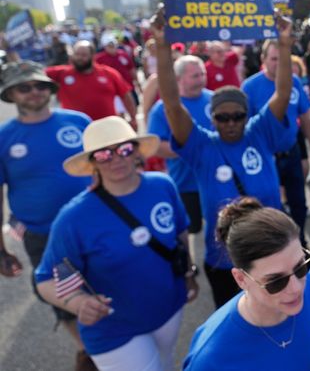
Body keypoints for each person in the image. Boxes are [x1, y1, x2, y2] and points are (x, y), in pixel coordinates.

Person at [153, 6, 295, 307]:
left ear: (247, 115)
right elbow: (172, 105)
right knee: (238, 323)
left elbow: (282, 93)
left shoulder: (260, 132)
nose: (231, 123)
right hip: (226, 261)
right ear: (212, 119)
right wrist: (163, 47)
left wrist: (284, 44)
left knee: (281, 314)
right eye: (222, 117)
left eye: (237, 116)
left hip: (274, 251)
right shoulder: (201, 146)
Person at [34, 116, 198, 370]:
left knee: (165, 364)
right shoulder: (73, 218)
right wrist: (78, 303)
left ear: (135, 151)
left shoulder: (162, 185)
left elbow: (180, 234)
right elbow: (45, 278)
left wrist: (188, 273)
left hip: (168, 308)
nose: (115, 159)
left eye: (123, 149)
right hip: (113, 328)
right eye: (103, 154)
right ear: (92, 163)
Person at [183, 197, 310, 371]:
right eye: (276, 281)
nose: (297, 288)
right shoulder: (211, 359)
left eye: (301, 267)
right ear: (241, 279)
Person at [0, 61, 94, 370]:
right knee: (64, 296)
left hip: (94, 225)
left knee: (107, 284)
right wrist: (1, 250)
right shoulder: (4, 137)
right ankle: (86, 350)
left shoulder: (78, 122)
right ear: (11, 94)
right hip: (43, 236)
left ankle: (108, 342)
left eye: (40, 86)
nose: (34, 92)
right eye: (24, 87)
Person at [242, 40, 310, 246]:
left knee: (299, 205)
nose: (278, 63)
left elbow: (305, 117)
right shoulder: (249, 87)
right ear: (263, 60)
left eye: (281, 58)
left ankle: (301, 244)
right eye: (273, 59)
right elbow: (244, 129)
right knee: (271, 209)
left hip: (291, 152)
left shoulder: (294, 81)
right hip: (265, 159)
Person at [148, 55, 213, 261]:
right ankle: (192, 262)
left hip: (215, 179)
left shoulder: (214, 99)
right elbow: (156, 146)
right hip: (186, 184)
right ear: (178, 79)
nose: (201, 78)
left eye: (203, 73)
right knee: (192, 227)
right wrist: (189, 148)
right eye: (195, 75)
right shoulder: (161, 109)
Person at [45, 40, 137, 126]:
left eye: (84, 55)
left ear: (93, 56)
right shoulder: (61, 73)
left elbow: (126, 95)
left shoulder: (109, 73)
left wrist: (133, 118)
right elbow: (36, 74)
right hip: (75, 128)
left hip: (107, 127)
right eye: (77, 54)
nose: (79, 58)